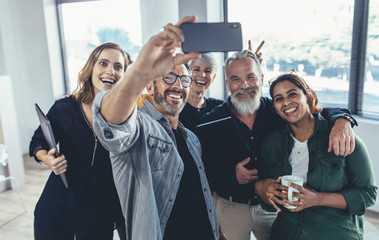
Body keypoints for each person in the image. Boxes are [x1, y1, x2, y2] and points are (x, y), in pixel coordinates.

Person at [196, 50, 357, 240]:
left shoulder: (280, 111)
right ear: (227, 83)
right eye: (235, 79)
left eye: (250, 77)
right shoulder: (208, 123)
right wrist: (232, 176)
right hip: (231, 207)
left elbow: (314, 110)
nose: (244, 85)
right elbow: (203, 173)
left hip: (274, 208)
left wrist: (342, 119)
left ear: (262, 77)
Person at [92, 16, 220, 240]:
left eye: (184, 80)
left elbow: (200, 197)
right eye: (169, 77)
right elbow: (113, 125)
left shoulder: (191, 139)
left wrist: (218, 232)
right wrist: (140, 72)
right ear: (149, 85)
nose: (178, 85)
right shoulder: (139, 128)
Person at [255, 71, 377, 239]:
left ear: (308, 95)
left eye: (292, 94)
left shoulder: (342, 136)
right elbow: (269, 204)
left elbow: (368, 195)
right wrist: (264, 191)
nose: (286, 102)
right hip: (287, 234)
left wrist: (317, 199)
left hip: (336, 234)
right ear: (275, 108)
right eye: (279, 98)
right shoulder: (271, 143)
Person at [29, 42, 129, 240]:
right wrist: (48, 159)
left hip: (98, 217)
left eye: (118, 67)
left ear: (125, 75)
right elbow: (37, 141)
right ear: (91, 68)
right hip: (55, 212)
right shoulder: (64, 107)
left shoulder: (127, 118)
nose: (110, 71)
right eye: (103, 63)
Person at [179, 53, 224, 131]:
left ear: (213, 77)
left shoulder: (219, 107)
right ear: (187, 74)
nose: (202, 75)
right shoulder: (176, 107)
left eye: (207, 71)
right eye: (196, 69)